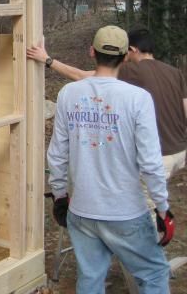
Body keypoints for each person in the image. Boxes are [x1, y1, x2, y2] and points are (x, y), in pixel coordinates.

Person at [47, 25, 173, 293]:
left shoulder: (69, 94)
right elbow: (151, 162)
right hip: (125, 213)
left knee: (91, 278)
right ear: (126, 56)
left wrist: (59, 195)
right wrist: (162, 208)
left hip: (81, 210)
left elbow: (57, 152)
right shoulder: (138, 99)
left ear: (91, 51)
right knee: (153, 273)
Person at [29, 27, 187, 179]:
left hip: (157, 155)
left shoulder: (130, 70)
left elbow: (82, 76)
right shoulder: (175, 73)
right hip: (179, 152)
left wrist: (47, 60)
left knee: (144, 203)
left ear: (132, 50)